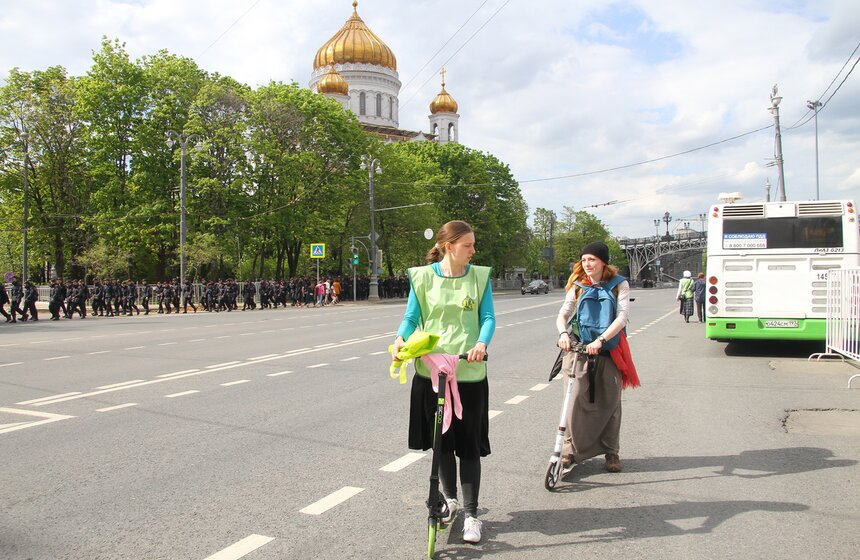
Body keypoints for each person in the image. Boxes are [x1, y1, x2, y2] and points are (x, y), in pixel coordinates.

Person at [391, 220, 495, 544]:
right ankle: (450, 501)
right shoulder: (421, 278)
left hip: (468, 373)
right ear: (449, 247)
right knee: (443, 444)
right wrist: (400, 340)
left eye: (473, 245)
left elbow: (488, 317)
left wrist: (481, 343)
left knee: (469, 447)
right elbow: (411, 317)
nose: (473, 251)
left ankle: (473, 514)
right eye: (468, 245)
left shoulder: (479, 277)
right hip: (432, 371)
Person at [556, 241, 636, 474]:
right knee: (572, 400)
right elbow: (563, 313)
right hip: (579, 348)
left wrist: (600, 340)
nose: (587, 264)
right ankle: (569, 451)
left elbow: (622, 318)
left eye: (592, 259)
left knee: (610, 401)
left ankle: (611, 451)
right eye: (584, 260)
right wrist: (563, 333)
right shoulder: (578, 285)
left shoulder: (619, 285)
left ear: (603, 262)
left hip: (608, 350)